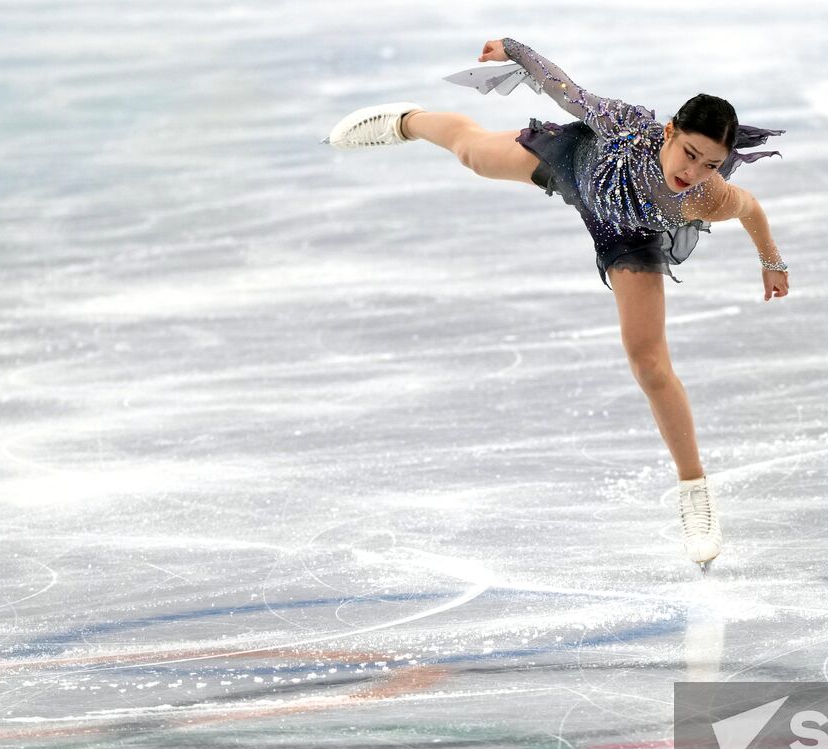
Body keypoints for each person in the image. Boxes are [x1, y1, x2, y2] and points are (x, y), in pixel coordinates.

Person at [324, 37, 790, 573]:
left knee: (649, 364)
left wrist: (771, 261)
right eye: (689, 154)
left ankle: (694, 492)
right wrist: (515, 50)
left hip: (628, 236)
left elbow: (750, 208)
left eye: (711, 163)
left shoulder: (707, 195)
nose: (694, 171)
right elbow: (563, 88)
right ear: (669, 133)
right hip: (577, 165)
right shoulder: (621, 126)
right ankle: (407, 121)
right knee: (474, 154)